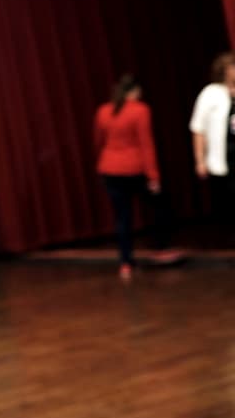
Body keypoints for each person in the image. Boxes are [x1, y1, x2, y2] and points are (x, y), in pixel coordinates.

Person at [94, 74, 174, 280]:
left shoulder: (104, 111)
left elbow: (99, 141)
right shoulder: (140, 110)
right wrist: (153, 176)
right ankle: (161, 247)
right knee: (160, 205)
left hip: (109, 169)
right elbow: (146, 144)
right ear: (136, 91)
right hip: (134, 168)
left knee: (122, 217)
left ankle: (125, 262)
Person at [189, 52, 235, 227]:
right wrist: (200, 160)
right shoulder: (211, 93)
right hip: (223, 156)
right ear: (224, 71)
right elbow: (198, 128)